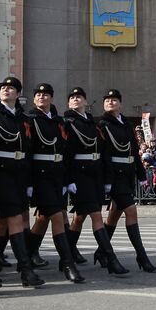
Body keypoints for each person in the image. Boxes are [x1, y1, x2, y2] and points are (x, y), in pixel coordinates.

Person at [0, 75, 44, 289]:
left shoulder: (23, 120)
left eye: (11, 88)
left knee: (1, 224)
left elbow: (27, 151)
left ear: (18, 94)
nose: (6, 90)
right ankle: (26, 271)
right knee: (15, 219)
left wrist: (29, 182)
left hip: (18, 175)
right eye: (3, 88)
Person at [23, 83, 85, 283]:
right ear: (34, 99)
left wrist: (68, 180)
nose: (42, 97)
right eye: (38, 94)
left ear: (51, 98)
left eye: (46, 94)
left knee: (43, 218)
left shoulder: (59, 122)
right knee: (58, 216)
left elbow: (65, 152)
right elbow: (27, 153)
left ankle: (27, 254)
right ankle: (68, 264)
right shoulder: (29, 120)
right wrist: (29, 182)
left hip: (57, 175)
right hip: (39, 175)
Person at [62, 86, 128, 275]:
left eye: (79, 97)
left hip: (95, 175)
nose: (76, 99)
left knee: (79, 218)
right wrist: (69, 179)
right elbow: (65, 153)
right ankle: (110, 258)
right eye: (72, 97)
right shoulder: (67, 122)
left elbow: (103, 151)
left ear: (85, 101)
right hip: (79, 175)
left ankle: (67, 255)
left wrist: (106, 178)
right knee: (96, 215)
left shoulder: (92, 123)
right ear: (68, 103)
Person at [98, 89, 156, 274]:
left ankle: (101, 252)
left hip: (127, 174)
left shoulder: (126, 124)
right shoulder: (103, 125)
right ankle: (142, 256)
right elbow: (104, 155)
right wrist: (107, 180)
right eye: (107, 100)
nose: (110, 103)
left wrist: (140, 175)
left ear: (120, 103)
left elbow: (134, 152)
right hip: (114, 175)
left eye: (114, 100)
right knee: (131, 211)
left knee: (115, 214)